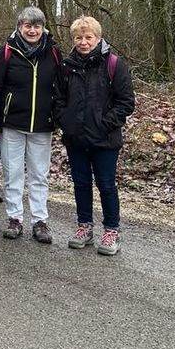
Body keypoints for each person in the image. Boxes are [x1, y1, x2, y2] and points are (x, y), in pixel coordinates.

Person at [54, 16, 135, 256]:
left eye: (88, 37)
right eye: (78, 37)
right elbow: (58, 99)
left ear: (98, 38)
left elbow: (126, 102)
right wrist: (66, 122)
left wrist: (104, 124)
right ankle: (84, 226)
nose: (83, 42)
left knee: (106, 185)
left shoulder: (113, 64)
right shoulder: (67, 66)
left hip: (105, 139)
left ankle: (111, 229)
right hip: (76, 138)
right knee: (80, 184)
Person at [0, 6, 61, 243]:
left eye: (37, 26)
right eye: (27, 25)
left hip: (42, 125)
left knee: (40, 176)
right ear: (19, 27)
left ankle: (40, 221)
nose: (32, 30)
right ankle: (14, 218)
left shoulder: (54, 52)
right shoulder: (6, 51)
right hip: (12, 125)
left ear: (43, 28)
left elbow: (61, 89)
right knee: (13, 174)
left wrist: (57, 118)